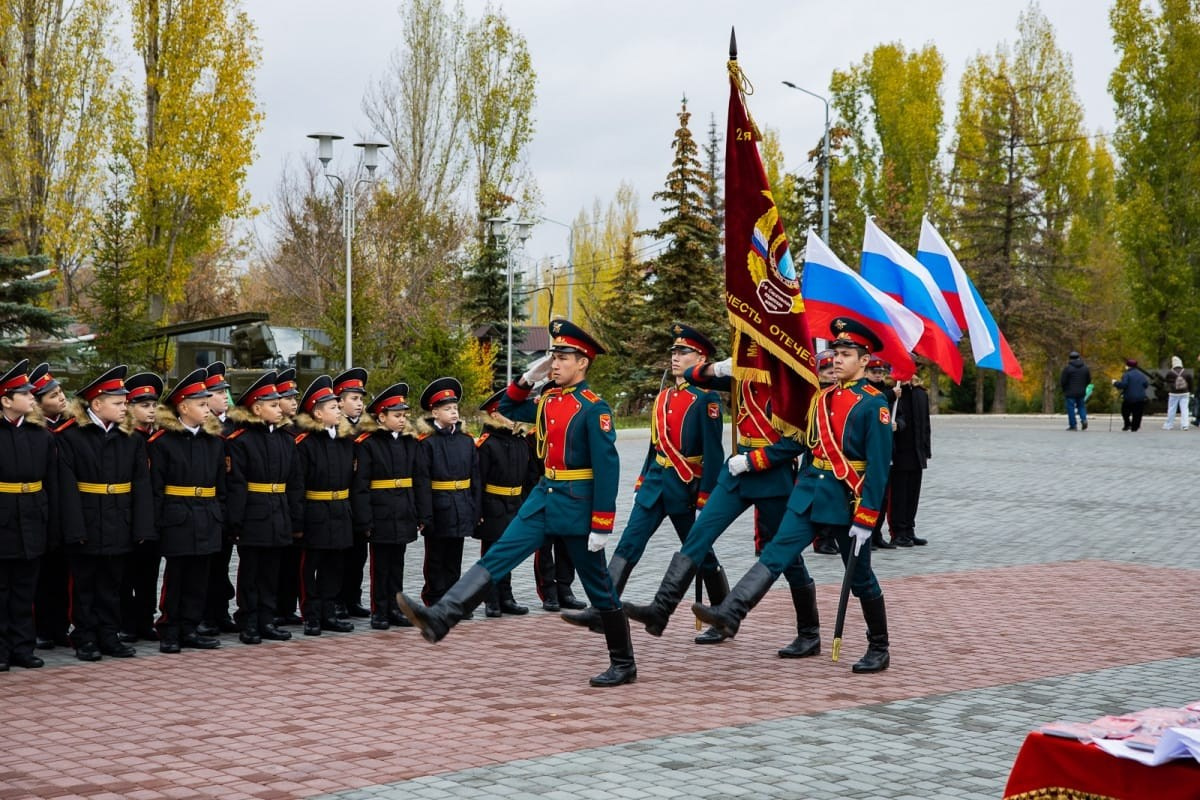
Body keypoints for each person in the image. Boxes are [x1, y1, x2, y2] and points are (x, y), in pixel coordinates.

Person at [397, 319, 636, 687]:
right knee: (498, 554)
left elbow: (608, 467)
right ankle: (442, 616)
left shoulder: (594, 408)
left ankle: (624, 663)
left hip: (576, 504)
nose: (554, 363)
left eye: (562, 357)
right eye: (552, 356)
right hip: (543, 498)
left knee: (599, 585)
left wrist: (602, 522)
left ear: (583, 362)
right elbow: (505, 406)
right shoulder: (549, 400)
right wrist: (528, 377)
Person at [689, 318, 894, 673]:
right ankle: (731, 612)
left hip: (847, 500)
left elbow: (878, 467)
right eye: (836, 353)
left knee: (859, 577)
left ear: (864, 361)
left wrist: (868, 516)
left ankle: (879, 646)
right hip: (809, 494)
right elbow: (809, 446)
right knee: (776, 553)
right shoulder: (822, 398)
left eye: (847, 354)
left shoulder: (872, 404)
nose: (838, 360)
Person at [622, 346, 807, 655]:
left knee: (785, 555)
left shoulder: (793, 383)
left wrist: (754, 461)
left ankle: (809, 631)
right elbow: (695, 376)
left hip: (770, 476)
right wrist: (721, 368)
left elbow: (798, 441)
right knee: (698, 535)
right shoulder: (743, 377)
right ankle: (661, 609)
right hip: (736, 474)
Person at [562, 323, 725, 637]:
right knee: (629, 544)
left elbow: (714, 453)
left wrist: (707, 495)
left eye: (683, 351)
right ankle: (602, 609)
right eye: (674, 351)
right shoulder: (663, 397)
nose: (675, 357)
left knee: (699, 551)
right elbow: (655, 445)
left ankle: (720, 614)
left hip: (686, 484)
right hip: (655, 484)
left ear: (700, 357)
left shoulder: (708, 399)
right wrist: (642, 479)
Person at [56, 365, 155, 661]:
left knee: (112, 584)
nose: (124, 407)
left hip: (118, 519)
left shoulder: (132, 438)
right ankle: (85, 636)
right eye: (118, 402)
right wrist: (75, 530)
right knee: (85, 584)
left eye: (125, 402)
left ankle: (109, 635)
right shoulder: (71, 437)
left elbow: (141, 485)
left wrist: (142, 527)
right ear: (97, 404)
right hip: (87, 519)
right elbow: (66, 488)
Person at [148, 369, 224, 653]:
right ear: (183, 407)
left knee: (199, 577)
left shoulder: (214, 442)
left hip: (207, 514)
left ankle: (190, 627)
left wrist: (220, 514)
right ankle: (170, 628)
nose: (207, 410)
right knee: (177, 576)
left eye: (208, 404)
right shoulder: (163, 443)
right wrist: (156, 524)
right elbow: (155, 489)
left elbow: (221, 486)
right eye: (202, 404)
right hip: (177, 517)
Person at [227, 371, 297, 645]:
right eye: (272, 404)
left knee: (272, 571)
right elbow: (237, 485)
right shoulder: (241, 441)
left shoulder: (285, 439)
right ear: (257, 408)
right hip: (253, 515)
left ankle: (267, 619)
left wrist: (293, 517)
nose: (279, 409)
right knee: (251, 571)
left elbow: (293, 482)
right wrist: (236, 522)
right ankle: (249, 620)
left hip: (278, 512)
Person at [0, 360, 59, 670]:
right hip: (4, 518)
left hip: (33, 517)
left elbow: (52, 483)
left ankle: (22, 647)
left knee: (25, 590)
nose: (32, 398)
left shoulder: (42, 435)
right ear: (6, 400)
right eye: (24, 394)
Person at [351, 382, 424, 630]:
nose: (402, 420)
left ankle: (396, 608)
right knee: (380, 566)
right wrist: (365, 521)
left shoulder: (409, 443)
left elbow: (418, 480)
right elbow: (361, 486)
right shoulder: (368, 444)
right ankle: (379, 610)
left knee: (398, 564)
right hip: (380, 513)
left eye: (404, 415)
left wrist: (420, 513)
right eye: (397, 415)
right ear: (381, 417)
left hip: (403, 511)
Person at [291, 375, 356, 636]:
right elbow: (297, 486)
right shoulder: (305, 444)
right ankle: (311, 615)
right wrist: (298, 522)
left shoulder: (345, 441)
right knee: (311, 567)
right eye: (333, 408)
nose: (339, 411)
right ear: (318, 413)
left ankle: (329, 612)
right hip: (315, 513)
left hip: (339, 511)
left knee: (335, 565)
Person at [415, 377, 480, 608]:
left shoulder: (466, 441)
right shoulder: (427, 443)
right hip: (438, 506)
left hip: (461, 505)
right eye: (447, 408)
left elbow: (475, 478)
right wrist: (425, 515)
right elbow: (422, 482)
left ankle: (453, 600)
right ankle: (434, 598)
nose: (453, 412)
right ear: (435, 412)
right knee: (436, 557)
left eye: (455, 408)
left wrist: (475, 509)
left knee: (454, 557)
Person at [474, 389, 535, 618]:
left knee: (509, 553)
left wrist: (526, 505)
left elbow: (529, 477)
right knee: (492, 554)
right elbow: (478, 480)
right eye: (509, 413)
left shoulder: (520, 441)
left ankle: (506, 596)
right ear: (495, 415)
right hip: (492, 505)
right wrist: (478, 510)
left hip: (514, 504)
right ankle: (490, 599)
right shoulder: (487, 444)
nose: (515, 417)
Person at [118, 372, 165, 643]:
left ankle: (145, 621)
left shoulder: (159, 438)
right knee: (125, 575)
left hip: (155, 519)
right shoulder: (124, 438)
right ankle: (126, 622)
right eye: (143, 405)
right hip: (127, 517)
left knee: (148, 574)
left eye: (153, 405)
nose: (150, 410)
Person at [29, 363, 73, 650]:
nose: (61, 398)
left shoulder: (72, 429)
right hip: (39, 510)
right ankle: (40, 627)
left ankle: (60, 626)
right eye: (53, 395)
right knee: (40, 576)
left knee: (63, 574)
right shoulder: (35, 432)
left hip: (67, 509)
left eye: (60, 392)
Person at [199, 361, 238, 636]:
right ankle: (204, 614)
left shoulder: (235, 425)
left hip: (230, 501)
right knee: (206, 566)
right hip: (209, 502)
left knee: (223, 563)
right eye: (218, 392)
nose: (224, 396)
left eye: (225, 392)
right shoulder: (204, 428)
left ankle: (220, 611)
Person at [333, 367, 371, 620]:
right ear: (339, 401)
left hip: (362, 502)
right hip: (339, 501)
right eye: (353, 399)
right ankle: (336, 601)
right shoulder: (334, 430)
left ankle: (352, 598)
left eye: (361, 399)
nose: (359, 404)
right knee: (339, 557)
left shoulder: (369, 431)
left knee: (359, 554)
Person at [272, 368, 304, 626]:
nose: (294, 402)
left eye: (295, 397)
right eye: (287, 397)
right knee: (274, 564)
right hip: (269, 507)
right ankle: (271, 609)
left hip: (289, 506)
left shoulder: (298, 430)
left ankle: (286, 607)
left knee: (292, 562)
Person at [889, 374, 931, 547]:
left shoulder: (920, 393)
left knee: (913, 493)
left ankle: (909, 528)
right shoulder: (893, 393)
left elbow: (925, 424)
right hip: (899, 452)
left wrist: (926, 449)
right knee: (899, 494)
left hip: (916, 451)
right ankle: (898, 531)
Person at [811, 350, 841, 556]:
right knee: (819, 497)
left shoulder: (840, 393)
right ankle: (821, 539)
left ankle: (831, 536)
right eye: (825, 369)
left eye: (833, 369)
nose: (831, 373)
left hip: (838, 455)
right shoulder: (812, 394)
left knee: (835, 497)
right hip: (816, 452)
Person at [1112, 360, 1149, 432]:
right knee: (1137, 413)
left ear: (1128, 366)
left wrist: (1115, 383)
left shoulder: (1127, 374)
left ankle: (1127, 424)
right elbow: (1146, 385)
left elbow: (1124, 385)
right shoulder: (1141, 375)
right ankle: (1135, 427)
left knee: (1125, 412)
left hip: (1129, 397)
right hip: (1140, 397)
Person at [1060, 351, 1091, 431]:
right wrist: (1083, 386)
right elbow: (1088, 380)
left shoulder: (1068, 368)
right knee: (1081, 406)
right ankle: (1083, 419)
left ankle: (1073, 425)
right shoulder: (1085, 368)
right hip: (1081, 391)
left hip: (1070, 392)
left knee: (1071, 408)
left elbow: (1063, 381)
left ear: (1070, 359)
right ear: (1079, 358)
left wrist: (1064, 389)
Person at [1162, 356, 1190, 431]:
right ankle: (1185, 425)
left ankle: (1169, 425)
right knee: (1184, 409)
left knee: (1171, 409)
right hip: (1185, 393)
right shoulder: (1186, 372)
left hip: (1173, 393)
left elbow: (1166, 382)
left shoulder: (1170, 373)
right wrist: (1190, 391)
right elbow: (1190, 383)